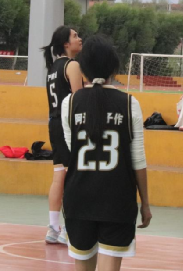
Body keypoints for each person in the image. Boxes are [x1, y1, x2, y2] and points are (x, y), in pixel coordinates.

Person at [61, 35, 151, 271]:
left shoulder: (69, 103)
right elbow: (138, 161)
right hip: (117, 199)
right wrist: (145, 204)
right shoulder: (129, 103)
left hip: (78, 199)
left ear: (83, 69)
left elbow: (72, 150)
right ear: (113, 68)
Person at [41, 26, 83, 244]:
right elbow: (79, 100)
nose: (79, 39)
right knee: (73, 177)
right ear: (66, 44)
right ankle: (67, 230)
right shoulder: (72, 65)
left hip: (54, 123)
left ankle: (53, 228)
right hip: (68, 125)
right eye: (75, 36)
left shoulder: (53, 68)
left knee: (59, 174)